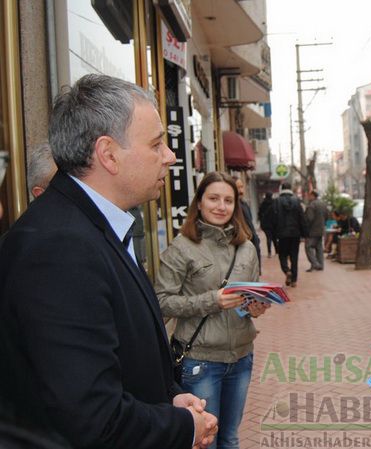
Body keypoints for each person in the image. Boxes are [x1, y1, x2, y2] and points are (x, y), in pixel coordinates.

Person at [0, 74, 217, 448]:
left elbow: (121, 359)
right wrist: (182, 427)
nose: (170, 156)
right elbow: (92, 417)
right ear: (109, 154)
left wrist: (169, 397)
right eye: (156, 144)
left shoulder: (94, 226)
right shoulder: (59, 249)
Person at [155, 171, 268, 449]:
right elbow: (161, 302)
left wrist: (255, 307)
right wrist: (212, 300)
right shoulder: (182, 247)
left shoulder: (246, 249)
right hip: (200, 362)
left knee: (230, 437)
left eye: (228, 200)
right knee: (205, 441)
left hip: (242, 357)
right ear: (200, 203)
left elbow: (246, 297)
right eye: (214, 198)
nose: (221, 206)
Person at [271, 182, 306, 287]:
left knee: (282, 255)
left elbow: (273, 219)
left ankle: (287, 271)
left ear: (282, 189)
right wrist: (304, 234)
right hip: (295, 234)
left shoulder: (277, 201)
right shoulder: (297, 201)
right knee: (294, 257)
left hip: (282, 235)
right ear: (290, 189)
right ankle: (294, 280)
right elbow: (301, 218)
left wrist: (273, 234)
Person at [233, 176, 261, 273]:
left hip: (251, 250)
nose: (241, 191)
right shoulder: (232, 208)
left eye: (241, 187)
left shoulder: (244, 204)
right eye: (237, 188)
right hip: (242, 256)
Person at [304, 190, 329, 271]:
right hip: (321, 229)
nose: (308, 197)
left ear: (312, 195)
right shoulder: (323, 204)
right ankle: (320, 265)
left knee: (308, 247)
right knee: (319, 248)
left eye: (309, 195)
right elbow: (327, 216)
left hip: (312, 230)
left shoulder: (311, 205)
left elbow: (309, 219)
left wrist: (306, 229)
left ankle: (315, 264)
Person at [258, 192, 277, 257]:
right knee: (274, 238)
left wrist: (261, 223)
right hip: (274, 224)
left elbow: (259, 214)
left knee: (268, 238)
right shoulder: (274, 203)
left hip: (265, 224)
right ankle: (277, 251)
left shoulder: (263, 204)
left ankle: (269, 252)